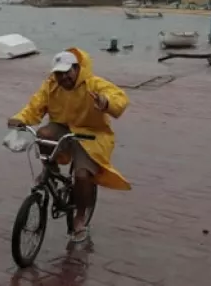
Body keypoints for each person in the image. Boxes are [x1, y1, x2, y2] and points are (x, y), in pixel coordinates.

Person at [7, 48, 131, 243]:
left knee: (82, 175)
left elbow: (119, 98)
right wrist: (20, 119)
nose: (63, 77)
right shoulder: (51, 86)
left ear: (76, 68)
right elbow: (34, 106)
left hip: (92, 134)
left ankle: (80, 217)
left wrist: (105, 102)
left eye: (67, 72)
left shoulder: (93, 84)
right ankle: (50, 170)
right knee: (43, 135)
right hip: (63, 128)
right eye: (59, 73)